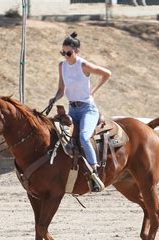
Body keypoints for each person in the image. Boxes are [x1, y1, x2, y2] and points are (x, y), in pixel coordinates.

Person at [48, 32, 112, 192]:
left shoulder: (84, 65)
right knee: (61, 137)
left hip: (87, 109)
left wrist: (94, 90)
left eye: (68, 52)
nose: (65, 56)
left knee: (84, 136)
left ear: (77, 51)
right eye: (63, 52)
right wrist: (54, 98)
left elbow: (107, 74)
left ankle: (94, 170)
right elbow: (61, 90)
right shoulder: (62, 66)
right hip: (72, 109)